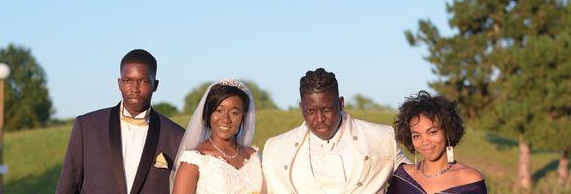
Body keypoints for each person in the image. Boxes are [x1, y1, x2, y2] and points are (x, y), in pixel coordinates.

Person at [56, 49, 185, 194]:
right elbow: (67, 187)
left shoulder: (177, 136)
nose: (135, 89)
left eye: (143, 81)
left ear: (155, 85)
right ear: (119, 83)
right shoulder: (87, 127)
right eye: (127, 80)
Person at [262, 68, 407, 194]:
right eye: (311, 111)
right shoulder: (275, 148)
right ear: (301, 108)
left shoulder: (381, 138)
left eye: (327, 109)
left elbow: (415, 183)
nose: (319, 118)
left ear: (341, 103)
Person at [171, 79, 262, 194]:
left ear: (243, 116)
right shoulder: (194, 160)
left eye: (234, 113)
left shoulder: (254, 156)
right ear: (209, 114)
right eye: (219, 110)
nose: (226, 119)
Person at [386, 90, 487, 194]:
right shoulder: (402, 177)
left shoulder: (469, 180)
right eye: (416, 135)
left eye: (432, 132)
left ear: (448, 131)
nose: (425, 141)